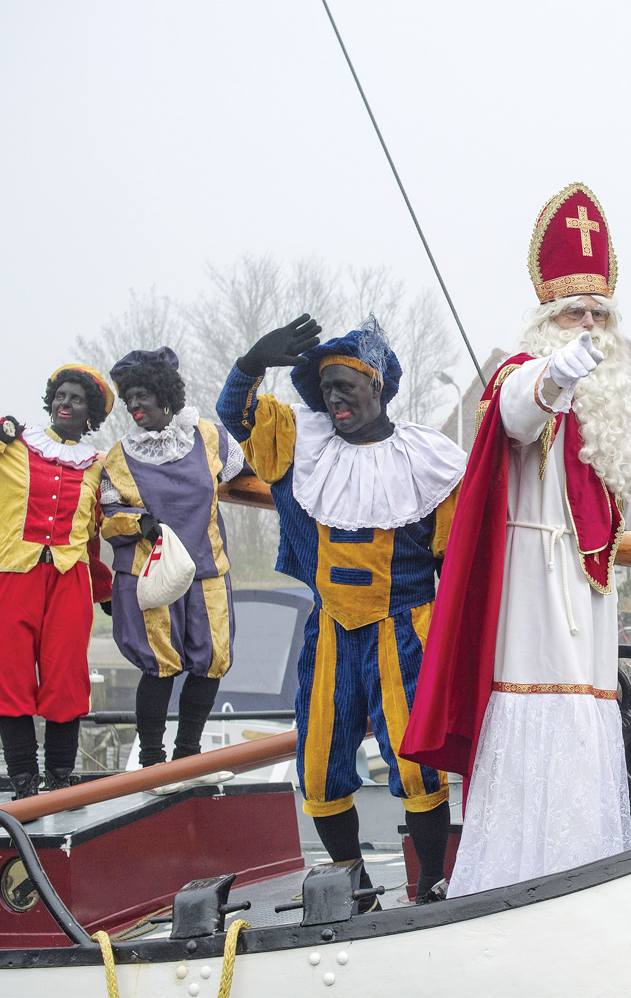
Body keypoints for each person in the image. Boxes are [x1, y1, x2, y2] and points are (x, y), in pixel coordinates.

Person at [402, 183, 631, 896]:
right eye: (576, 311)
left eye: (600, 314)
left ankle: (583, 877)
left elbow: (617, 508)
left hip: (589, 597)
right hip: (532, 594)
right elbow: (514, 413)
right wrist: (556, 374)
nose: (590, 323)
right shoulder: (526, 375)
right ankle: (511, 884)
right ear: (548, 321)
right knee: (536, 717)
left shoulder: (604, 412)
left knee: (585, 720)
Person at [217, 315, 463, 905]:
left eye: (344, 385)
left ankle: (431, 881)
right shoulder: (302, 445)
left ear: (376, 384)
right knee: (321, 770)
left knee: (416, 769)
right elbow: (236, 414)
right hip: (330, 631)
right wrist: (253, 361)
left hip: (406, 629)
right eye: (324, 387)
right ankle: (353, 883)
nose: (332, 397)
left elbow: (456, 561)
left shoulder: (429, 461)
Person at [0, 365, 115, 798]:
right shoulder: (10, 446)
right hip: (13, 574)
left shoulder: (95, 467)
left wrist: (104, 591)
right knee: (9, 676)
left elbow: (90, 539)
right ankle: (23, 782)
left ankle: (60, 781)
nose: (65, 403)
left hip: (70, 581)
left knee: (66, 680)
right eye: (61, 395)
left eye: (77, 399)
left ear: (90, 415)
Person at [100, 348, 244, 768]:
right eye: (129, 399)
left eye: (142, 395)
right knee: (160, 665)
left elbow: (245, 471)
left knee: (211, 661)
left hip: (207, 568)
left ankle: (188, 754)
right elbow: (107, 517)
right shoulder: (119, 457)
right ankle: (151, 761)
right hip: (150, 573)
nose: (135, 406)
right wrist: (135, 522)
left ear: (166, 395)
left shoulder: (209, 437)